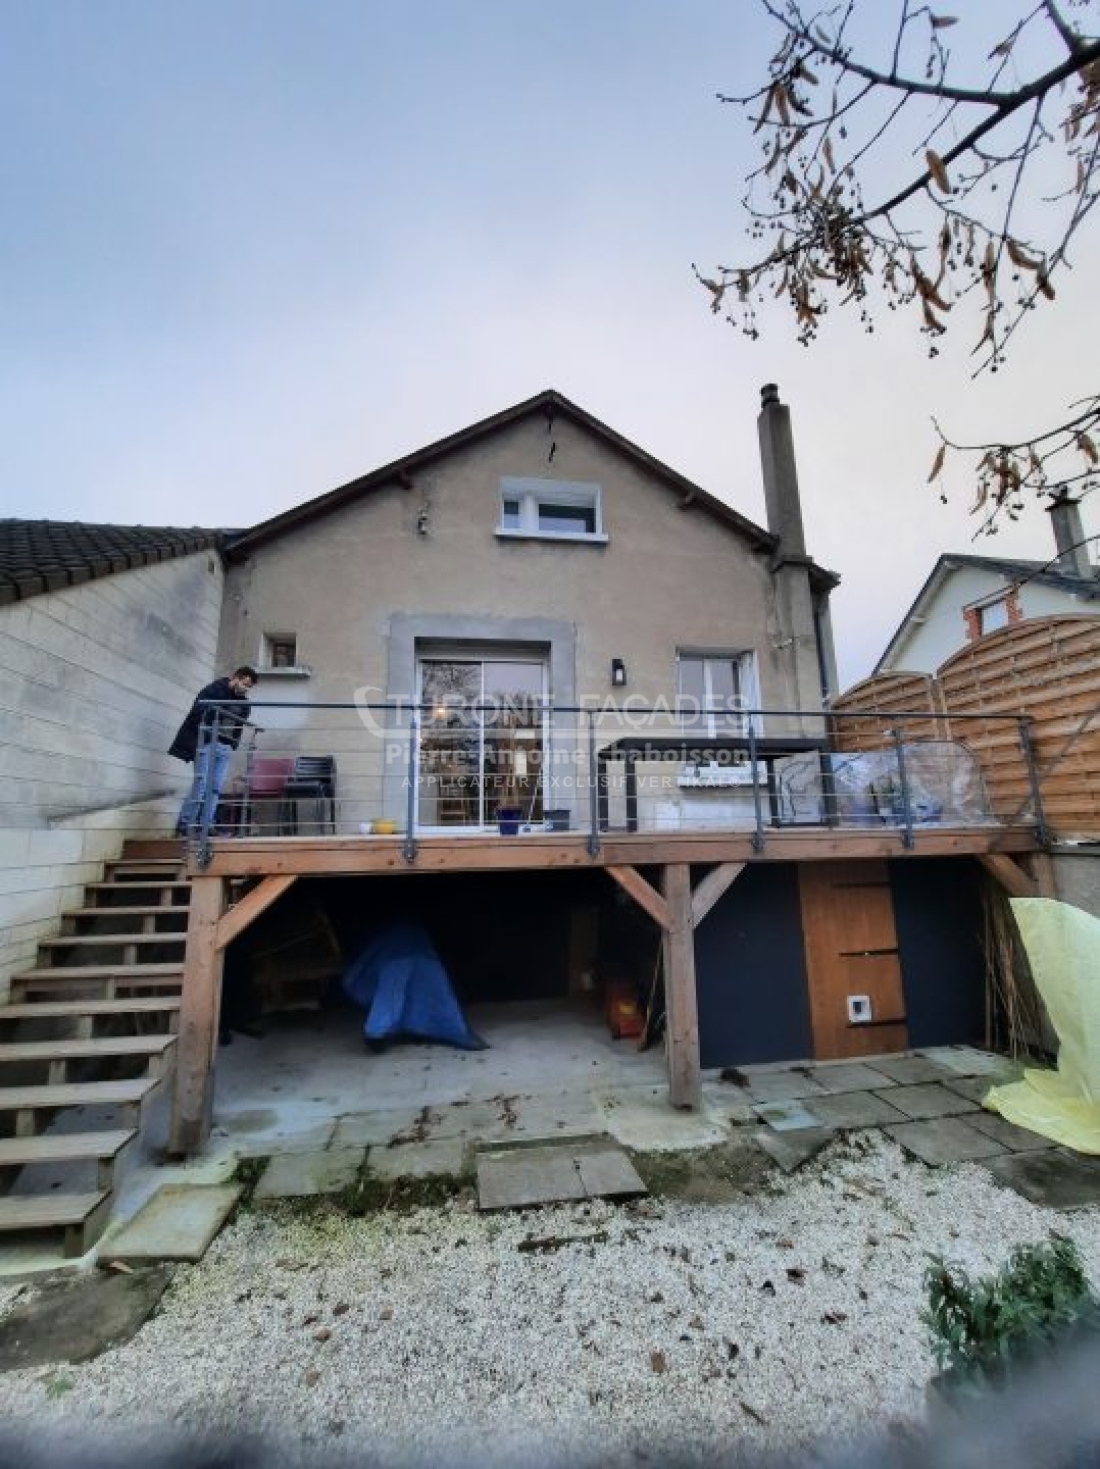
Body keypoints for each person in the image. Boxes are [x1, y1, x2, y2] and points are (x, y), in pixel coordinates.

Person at [169, 666, 258, 836]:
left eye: (249, 687)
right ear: (236, 678)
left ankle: (206, 824)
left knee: (216, 787)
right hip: (207, 742)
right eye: (245, 684)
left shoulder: (244, 703)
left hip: (225, 746)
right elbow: (198, 711)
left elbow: (239, 724)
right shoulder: (215, 689)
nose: (246, 689)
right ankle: (186, 823)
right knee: (201, 783)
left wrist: (233, 744)